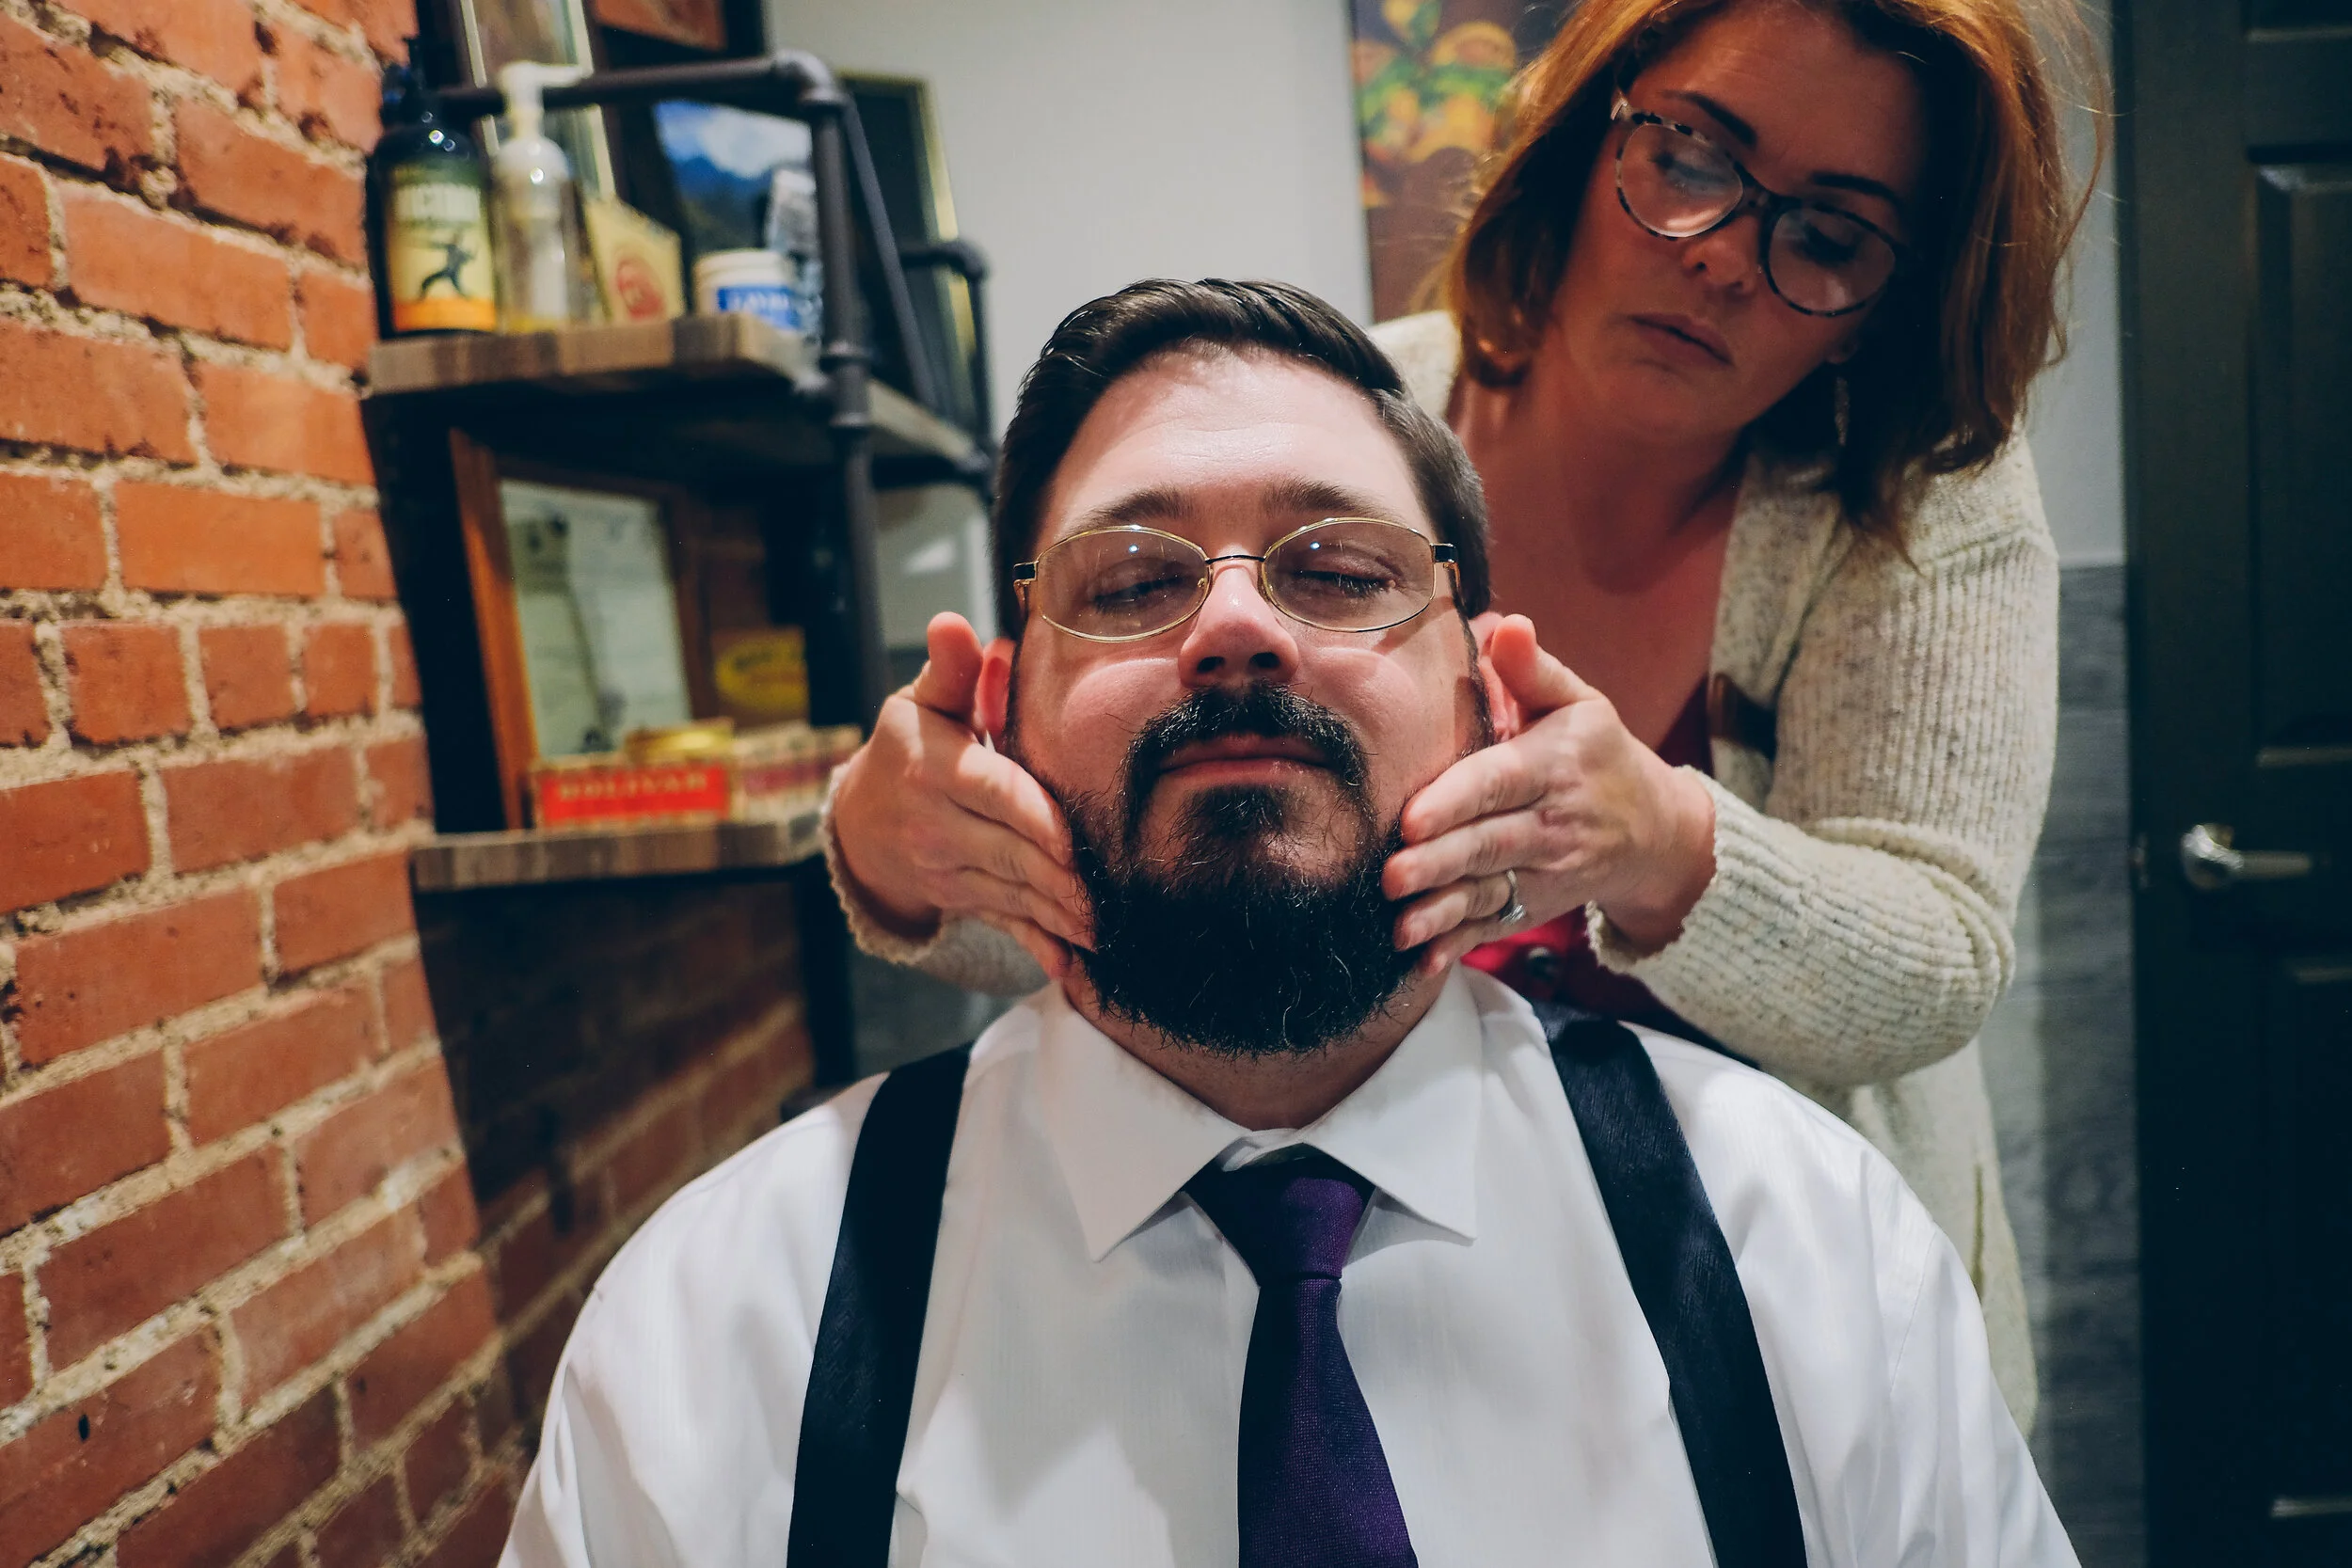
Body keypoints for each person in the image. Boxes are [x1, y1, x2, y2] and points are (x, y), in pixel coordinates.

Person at [503, 280, 2074, 1568]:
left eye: (1338, 570)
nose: (1238, 625)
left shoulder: (1816, 1264)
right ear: (1000, 714)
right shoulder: (721, 1332)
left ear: (1489, 695)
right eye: (1133, 581)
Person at [822, 0, 2086, 1428]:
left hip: (1781, 1288)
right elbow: (1126, 893)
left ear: (1886, 306)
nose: (1725, 255)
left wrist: (1660, 841)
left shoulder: (1923, 507)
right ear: (1583, 138)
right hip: (1357, 1275)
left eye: (1832, 235)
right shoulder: (1346, 431)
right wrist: (891, 846)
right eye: (1688, 158)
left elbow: (1938, 956)